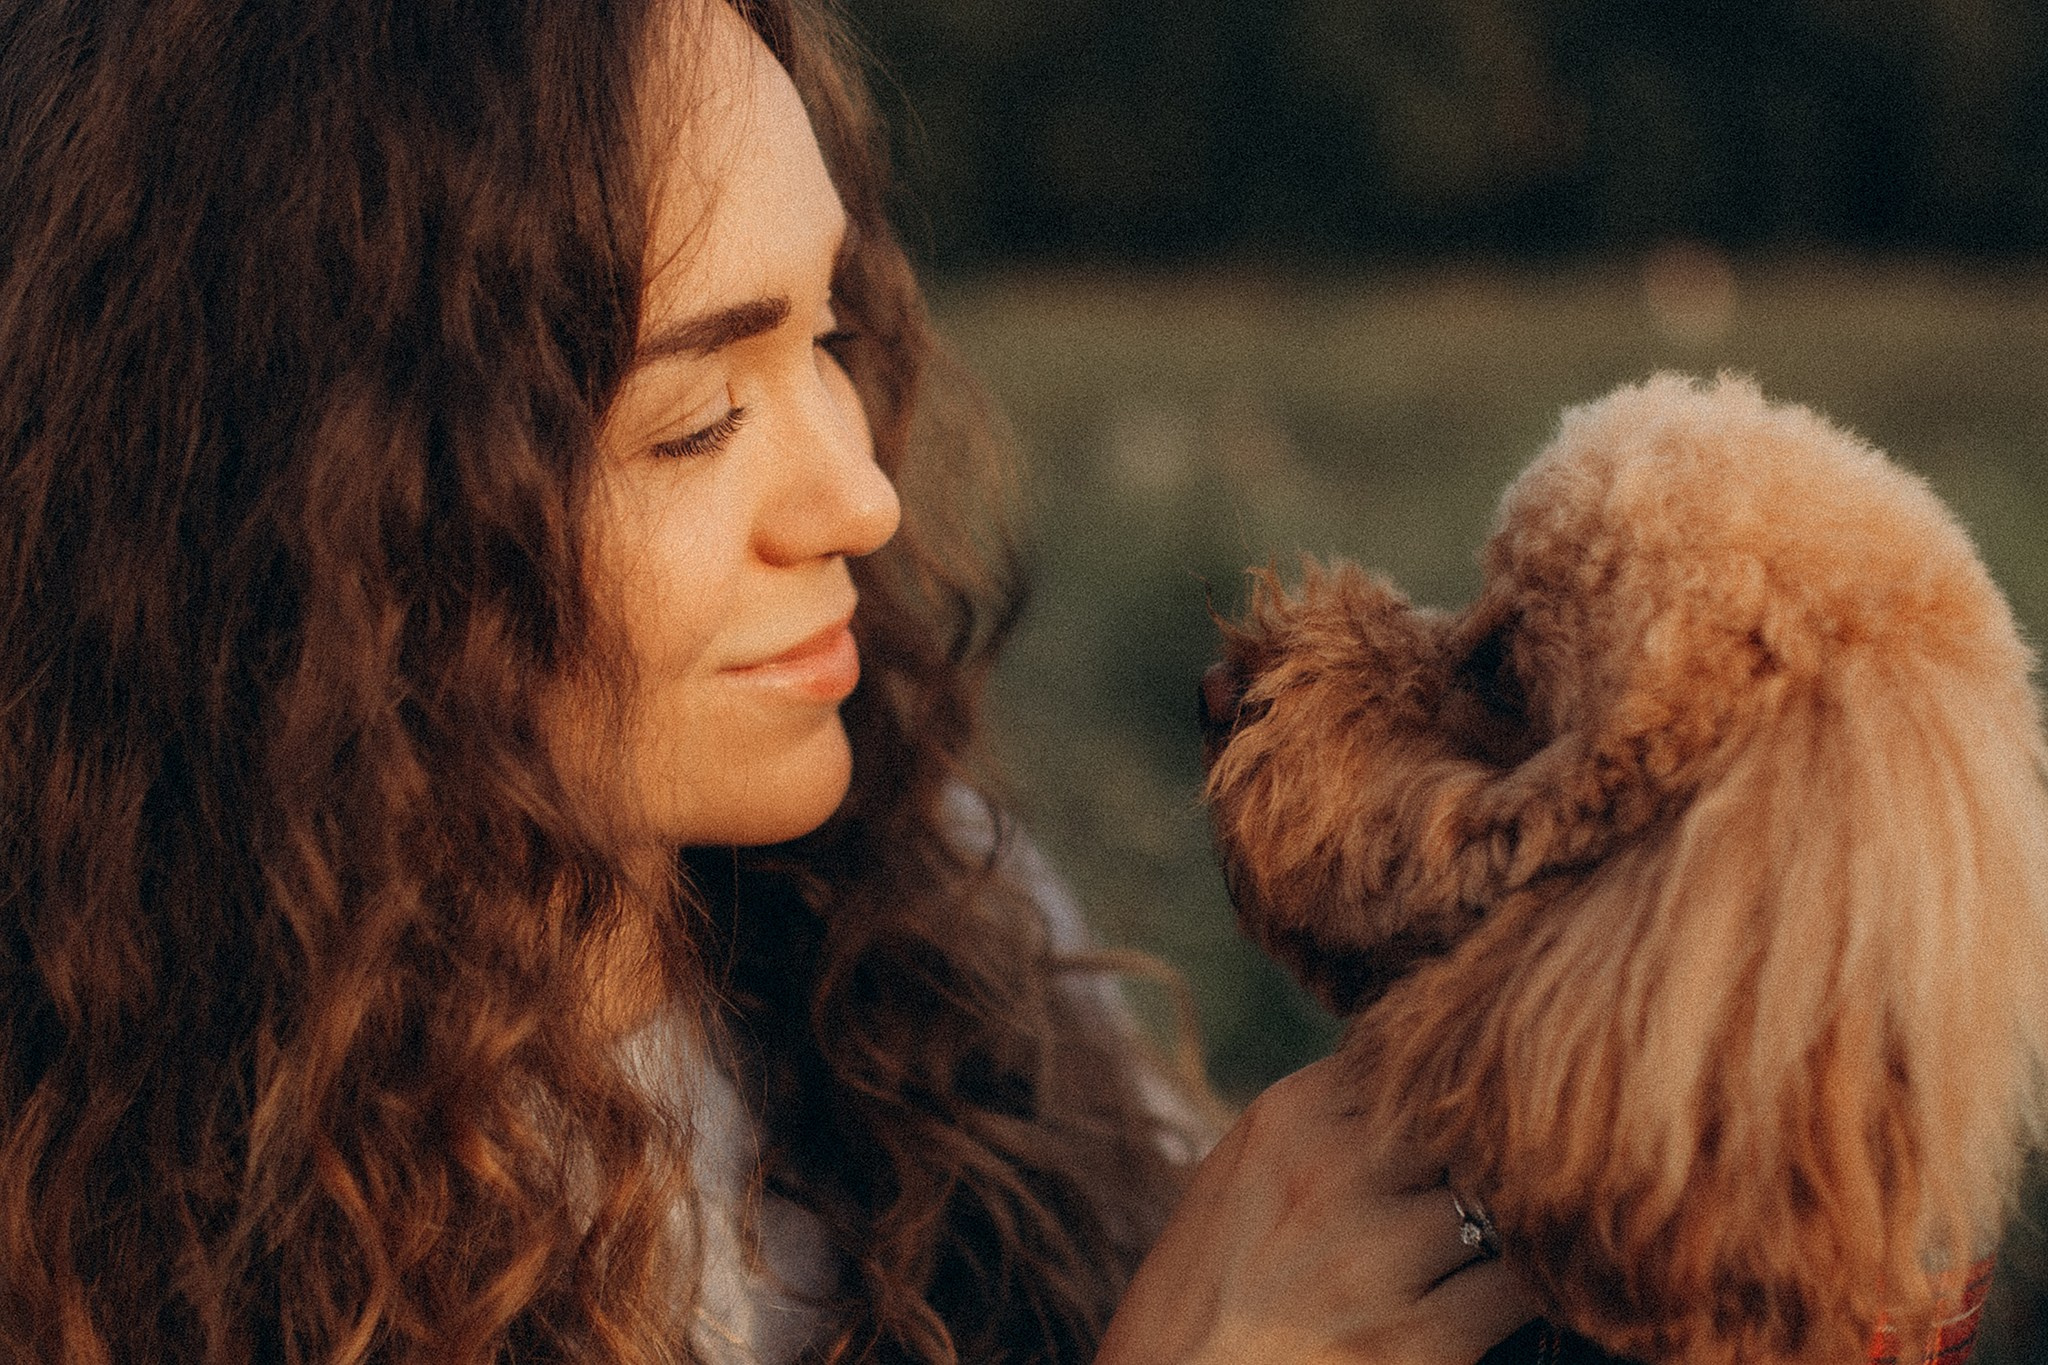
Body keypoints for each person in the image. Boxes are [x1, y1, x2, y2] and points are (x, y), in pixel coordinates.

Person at [0, 0, 1538, 1359]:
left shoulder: (934, 921)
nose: (862, 497)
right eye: (693, 421)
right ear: (321, 521)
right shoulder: (108, 1238)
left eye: (829, 333)